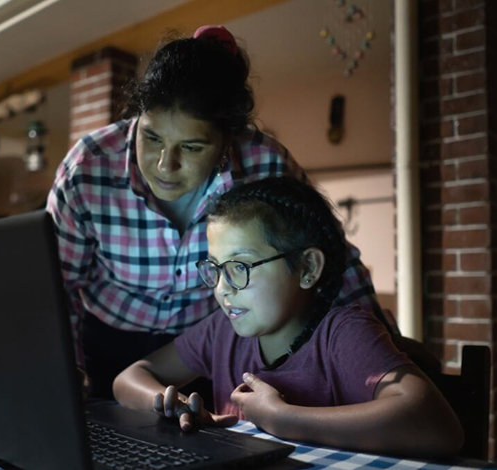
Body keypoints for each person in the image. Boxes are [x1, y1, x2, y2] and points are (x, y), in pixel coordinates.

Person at [46, 25, 388, 399]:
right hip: (107, 341)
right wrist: (64, 367)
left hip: (208, 347)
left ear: (228, 140)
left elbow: (332, 257)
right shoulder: (88, 167)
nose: (164, 165)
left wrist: (382, 344)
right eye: (151, 138)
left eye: (191, 147)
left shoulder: (263, 163)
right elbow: (54, 285)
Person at [112, 176, 463, 458]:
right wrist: (172, 404)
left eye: (239, 266)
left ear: (307, 267)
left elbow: (438, 427)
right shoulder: (222, 332)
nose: (222, 288)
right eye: (215, 268)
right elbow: (130, 378)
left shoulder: (343, 333)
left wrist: (284, 418)